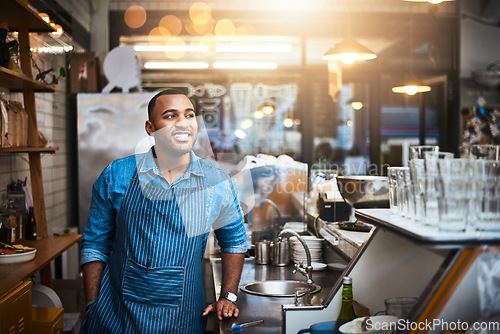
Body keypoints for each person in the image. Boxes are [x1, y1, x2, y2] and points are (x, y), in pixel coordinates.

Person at [80, 89, 247, 333]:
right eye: (170, 116)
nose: (183, 123)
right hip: (115, 319)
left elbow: (234, 241)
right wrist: (93, 304)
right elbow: (95, 243)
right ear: (150, 128)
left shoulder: (217, 183)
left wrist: (228, 297)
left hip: (182, 320)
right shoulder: (118, 175)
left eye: (189, 115)